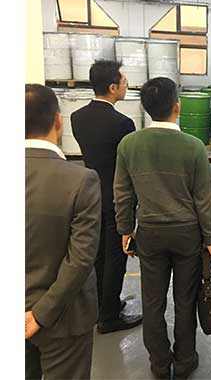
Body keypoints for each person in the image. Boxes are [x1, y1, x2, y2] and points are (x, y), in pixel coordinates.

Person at [114, 77, 211, 379]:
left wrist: (125, 229)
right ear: (177, 106)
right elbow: (203, 199)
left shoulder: (129, 144)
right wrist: (209, 237)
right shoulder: (194, 147)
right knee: (186, 300)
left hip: (149, 233)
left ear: (146, 107)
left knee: (152, 301)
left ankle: (159, 363)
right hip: (187, 234)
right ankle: (184, 360)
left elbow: (123, 193)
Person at [25, 84, 101, 380]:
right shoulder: (81, 180)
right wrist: (41, 314)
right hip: (65, 319)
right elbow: (80, 260)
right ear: (58, 121)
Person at [71, 60, 142, 334]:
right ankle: (109, 317)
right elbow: (129, 167)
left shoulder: (77, 117)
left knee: (98, 254)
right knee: (116, 256)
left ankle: (103, 304)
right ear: (113, 87)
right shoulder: (122, 124)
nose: (126, 86)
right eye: (124, 82)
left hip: (90, 194)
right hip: (116, 197)